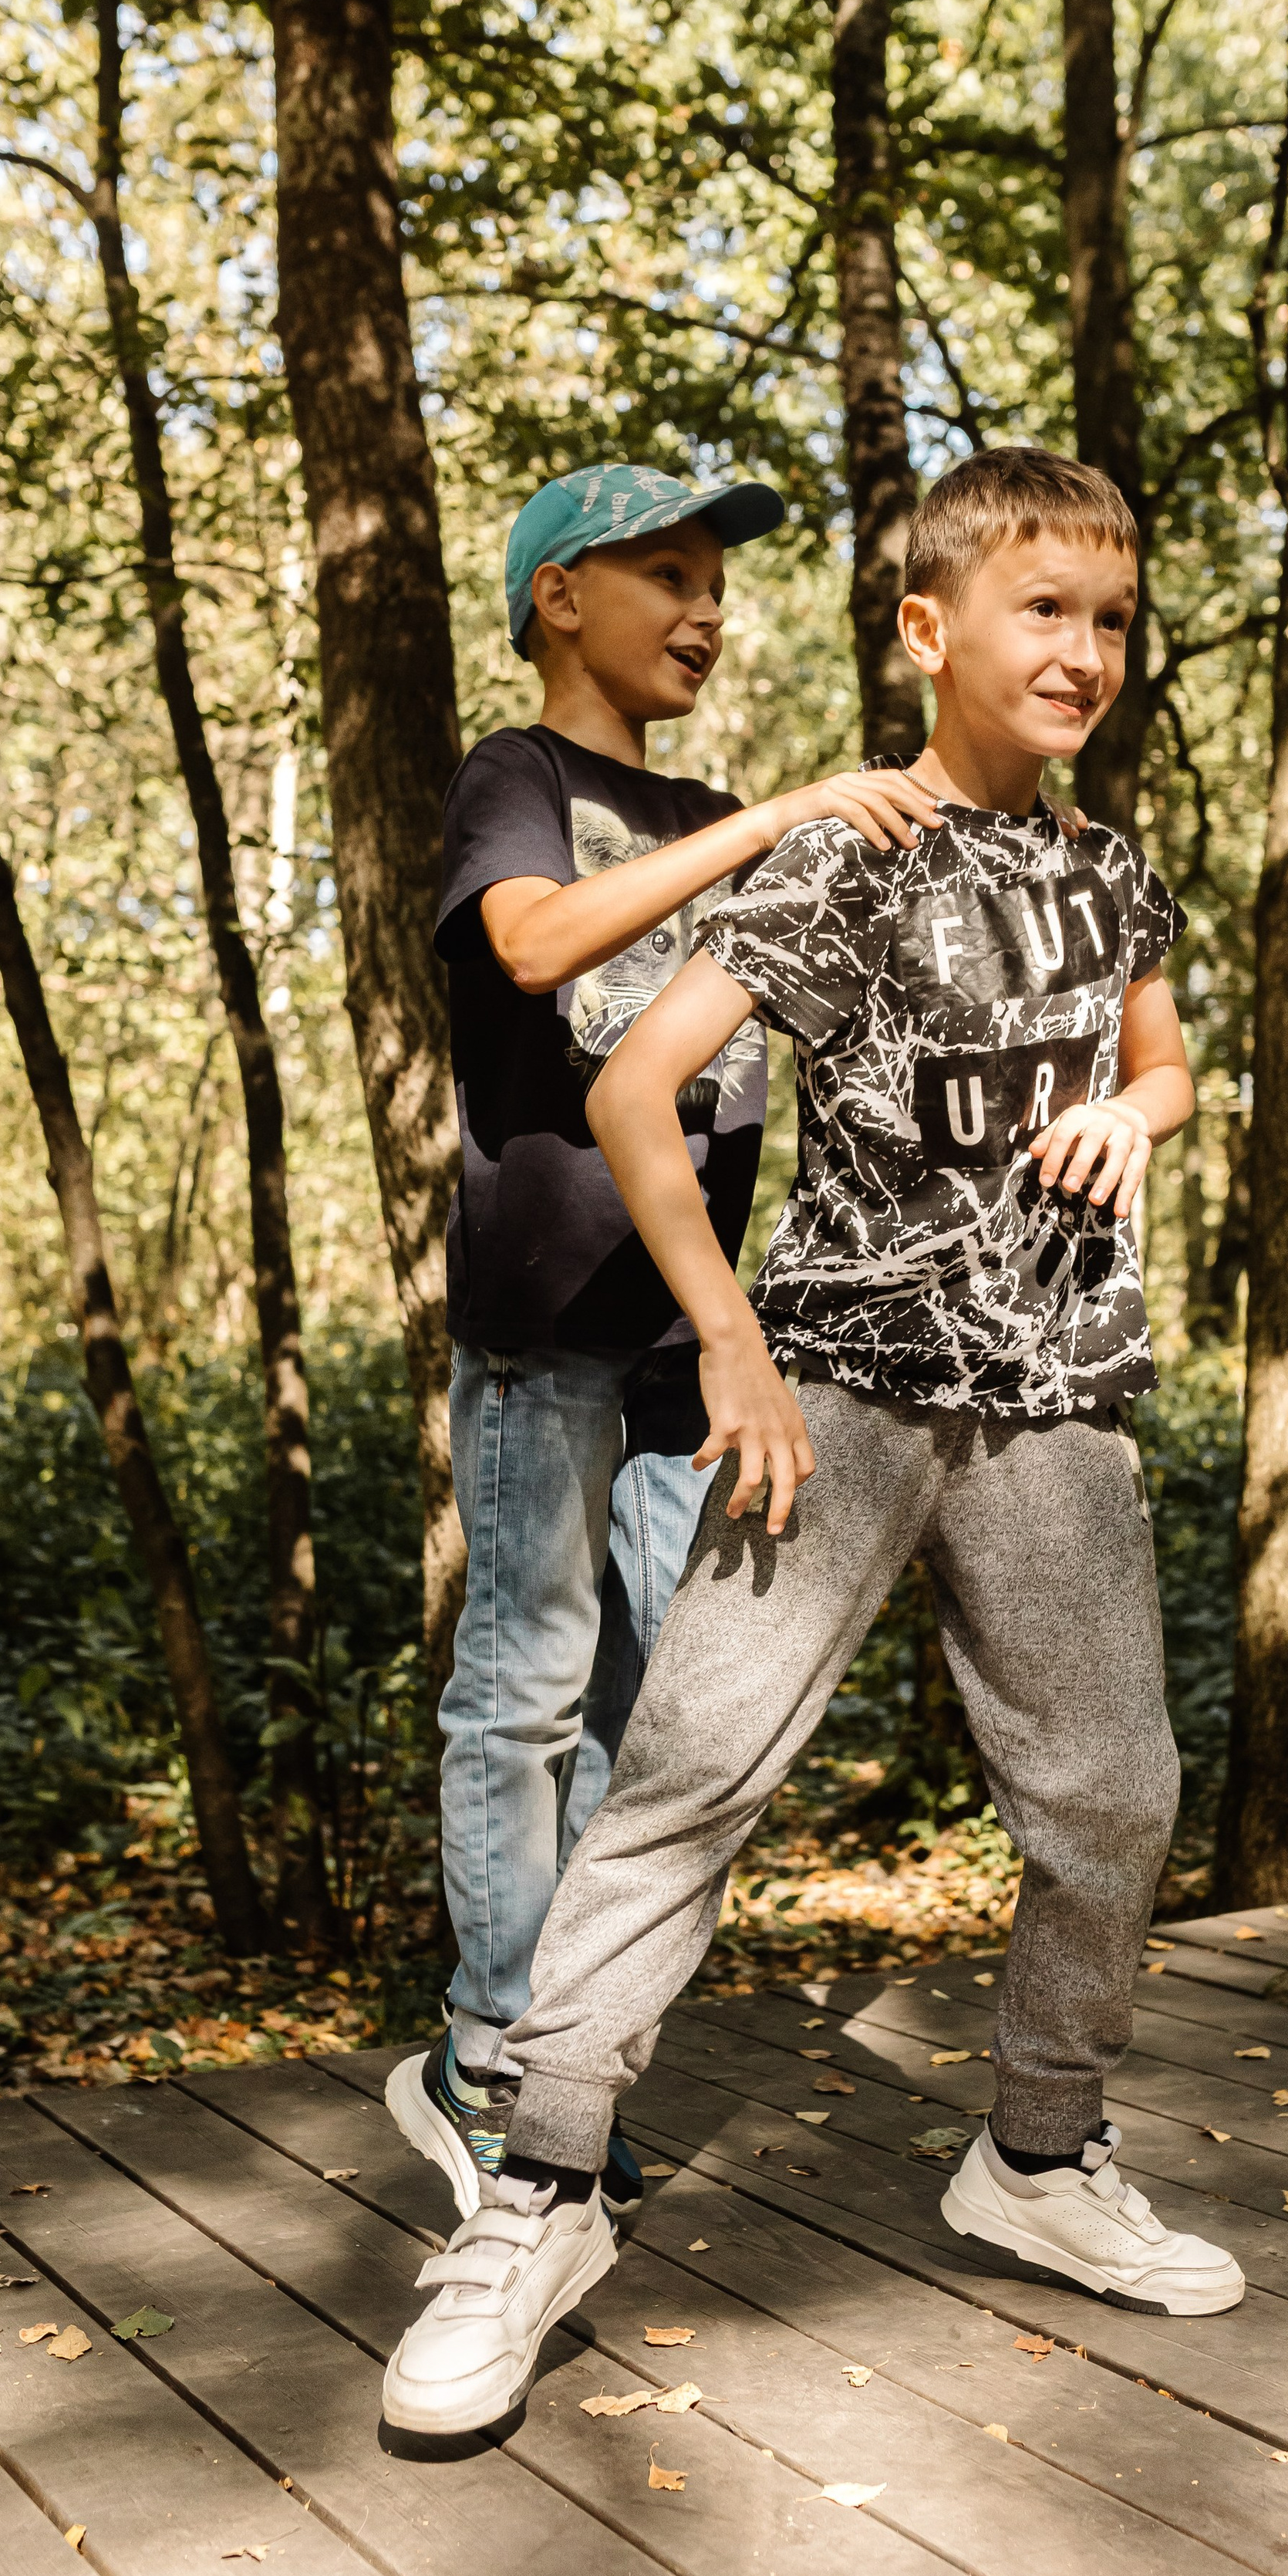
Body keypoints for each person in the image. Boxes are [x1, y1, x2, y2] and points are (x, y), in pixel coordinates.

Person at [382, 445, 1242, 2441]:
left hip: (1058, 1398)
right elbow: (635, 1093)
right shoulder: (846, 851)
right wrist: (734, 1343)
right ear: (931, 633)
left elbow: (1168, 1055)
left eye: (1113, 618)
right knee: (684, 1774)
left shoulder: (1108, 872)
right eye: (1045, 610)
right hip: (838, 1389)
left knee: (1115, 1798)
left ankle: (1036, 2155)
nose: (1087, 648)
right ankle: (540, 2192)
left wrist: (1146, 1114)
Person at [391, 461, 945, 2230]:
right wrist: (776, 817)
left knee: (649, 1721)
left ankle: (558, 2047)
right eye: (668, 574)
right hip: (545, 1320)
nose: (706, 607)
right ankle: (485, 2052)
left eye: (718, 580)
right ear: (560, 597)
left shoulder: (713, 801)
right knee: (526, 1684)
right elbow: (535, 939)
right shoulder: (520, 777)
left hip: (691, 1349)